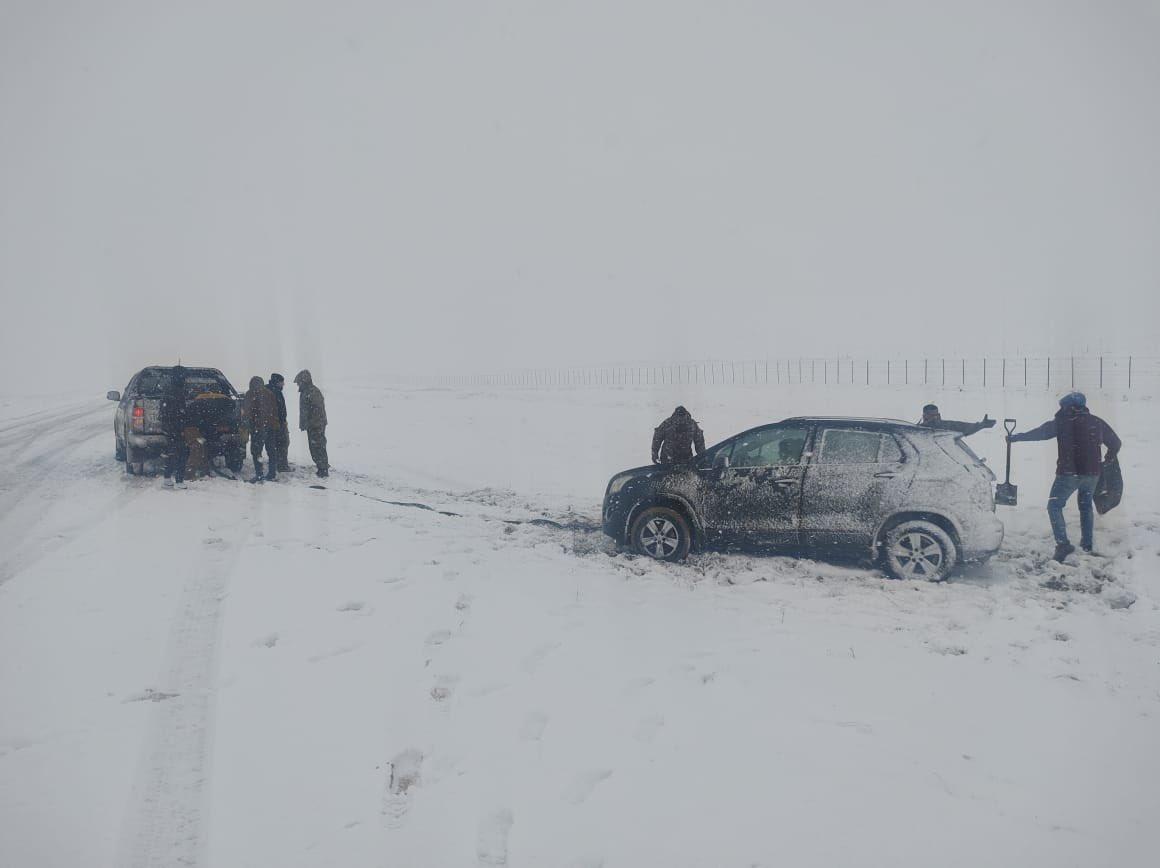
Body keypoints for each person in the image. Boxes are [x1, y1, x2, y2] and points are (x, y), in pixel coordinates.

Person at [1008, 392, 1121, 561]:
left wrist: (1016, 438)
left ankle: (1063, 544)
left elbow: (1041, 433)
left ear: (1068, 407)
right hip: (1092, 474)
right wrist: (1108, 458)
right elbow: (1116, 443)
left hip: (1068, 474)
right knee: (1085, 506)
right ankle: (1087, 543)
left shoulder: (1062, 422)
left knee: (1054, 506)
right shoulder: (1097, 422)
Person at [242, 375, 280, 481]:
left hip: (258, 428)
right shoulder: (269, 394)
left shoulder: (250, 394)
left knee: (256, 451)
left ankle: (259, 474)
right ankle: (272, 473)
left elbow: (247, 412)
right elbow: (275, 410)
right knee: (271, 450)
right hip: (270, 426)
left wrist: (245, 425)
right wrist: (276, 424)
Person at [294, 370, 329, 477]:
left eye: (299, 382)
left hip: (316, 425)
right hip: (313, 425)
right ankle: (321, 467)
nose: (298, 384)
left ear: (304, 381)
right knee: (315, 447)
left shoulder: (312, 392)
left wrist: (311, 423)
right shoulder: (307, 391)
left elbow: (317, 410)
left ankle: (323, 469)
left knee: (318, 447)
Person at [160, 366, 189, 489]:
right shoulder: (177, 392)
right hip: (176, 428)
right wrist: (181, 428)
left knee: (172, 452)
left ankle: (168, 479)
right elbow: (177, 412)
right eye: (184, 377)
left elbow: (165, 412)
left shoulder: (170, 390)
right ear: (180, 377)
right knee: (181, 453)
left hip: (170, 428)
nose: (185, 379)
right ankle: (178, 480)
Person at [919, 404, 996, 436]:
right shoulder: (916, 431)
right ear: (924, 416)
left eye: (937, 415)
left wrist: (981, 425)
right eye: (931, 416)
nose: (935, 418)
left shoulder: (944, 427)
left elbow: (963, 427)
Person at [267, 373, 290, 472]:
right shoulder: (276, 392)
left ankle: (275, 465)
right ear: (277, 382)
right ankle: (282, 466)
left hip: (269, 424)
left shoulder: (267, 389)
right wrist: (282, 421)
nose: (283, 384)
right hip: (277, 424)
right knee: (283, 444)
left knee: (273, 445)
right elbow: (279, 409)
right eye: (282, 382)